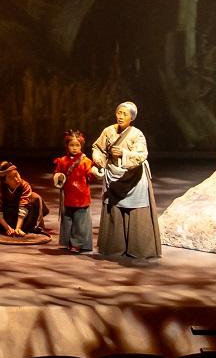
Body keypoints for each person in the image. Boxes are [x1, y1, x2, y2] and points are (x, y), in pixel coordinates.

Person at [90, 101, 161, 259]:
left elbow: (142, 155)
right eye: (119, 113)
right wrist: (98, 158)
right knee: (114, 210)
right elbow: (98, 147)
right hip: (113, 176)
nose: (121, 116)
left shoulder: (137, 134)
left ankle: (138, 248)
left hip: (133, 176)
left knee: (135, 211)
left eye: (125, 114)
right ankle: (114, 247)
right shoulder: (108, 131)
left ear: (132, 117)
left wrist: (123, 153)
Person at [0, 161, 46, 236]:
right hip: (4, 215)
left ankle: (32, 227)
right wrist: (8, 228)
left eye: (16, 174)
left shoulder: (25, 186)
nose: (17, 179)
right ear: (5, 181)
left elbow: (23, 206)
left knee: (35, 197)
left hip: (21, 217)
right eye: (11, 177)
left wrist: (18, 228)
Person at [50, 130, 95, 253]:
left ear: (81, 146)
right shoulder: (62, 161)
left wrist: (95, 173)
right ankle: (66, 242)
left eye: (77, 145)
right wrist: (58, 177)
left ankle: (77, 243)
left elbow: (90, 176)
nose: (74, 148)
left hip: (81, 195)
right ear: (67, 145)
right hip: (67, 194)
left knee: (80, 222)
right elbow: (57, 173)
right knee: (67, 219)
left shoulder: (86, 161)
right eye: (72, 145)